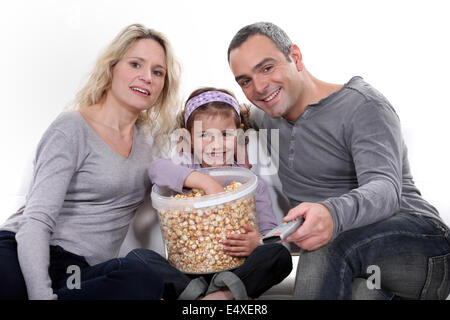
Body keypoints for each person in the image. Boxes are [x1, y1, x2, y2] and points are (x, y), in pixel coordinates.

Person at [227, 22, 450, 299]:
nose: (259, 87)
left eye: (267, 67)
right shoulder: (265, 118)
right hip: (361, 265)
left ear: (295, 57)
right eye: (245, 80)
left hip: (422, 245)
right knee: (362, 293)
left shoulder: (363, 105)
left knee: (324, 243)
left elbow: (385, 188)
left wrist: (332, 214)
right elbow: (220, 113)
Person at [0, 23, 181, 300]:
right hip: (23, 251)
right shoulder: (72, 127)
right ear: (111, 68)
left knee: (142, 279)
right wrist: (40, 294)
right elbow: (35, 221)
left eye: (158, 72)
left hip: (76, 271)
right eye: (135, 64)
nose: (147, 77)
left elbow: (205, 125)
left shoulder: (151, 143)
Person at [128, 87, 292, 300]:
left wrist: (257, 242)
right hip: (187, 269)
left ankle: (218, 296)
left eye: (225, 134)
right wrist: (204, 181)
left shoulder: (249, 182)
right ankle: (209, 296)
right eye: (204, 135)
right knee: (137, 259)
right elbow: (156, 169)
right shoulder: (186, 167)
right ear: (188, 139)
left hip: (235, 267)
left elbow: (270, 232)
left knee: (279, 255)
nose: (216, 144)